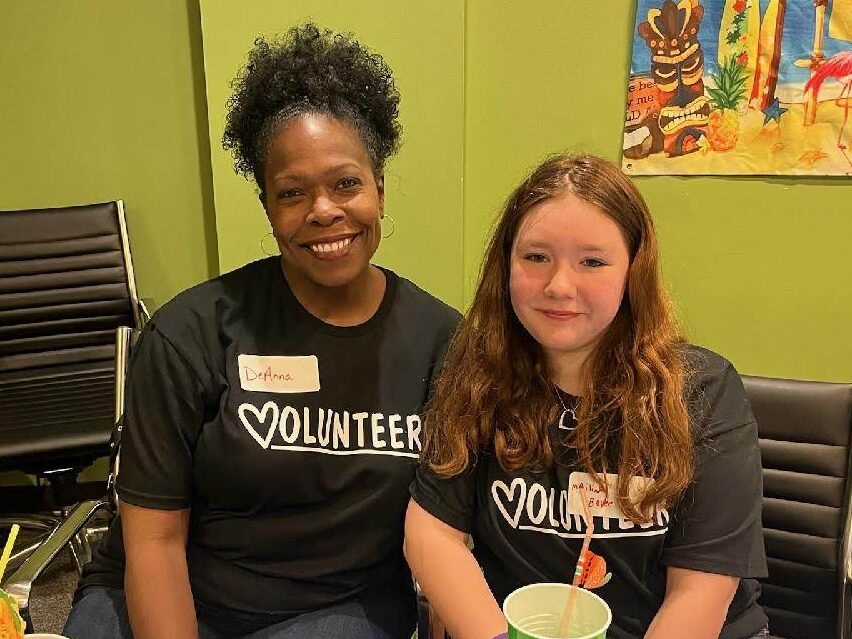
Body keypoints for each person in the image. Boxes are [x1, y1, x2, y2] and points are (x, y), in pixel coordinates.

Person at [64, 23, 460, 639]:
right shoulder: (190, 335)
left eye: (346, 183)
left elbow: (449, 532)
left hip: (335, 609)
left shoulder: (442, 342)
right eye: (292, 193)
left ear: (379, 190)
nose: (323, 210)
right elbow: (154, 542)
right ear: (269, 209)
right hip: (168, 588)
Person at [404, 154, 771, 639]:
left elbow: (702, 586)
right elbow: (432, 532)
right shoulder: (476, 375)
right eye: (536, 257)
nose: (559, 286)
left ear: (633, 271)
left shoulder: (702, 390)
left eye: (592, 262)